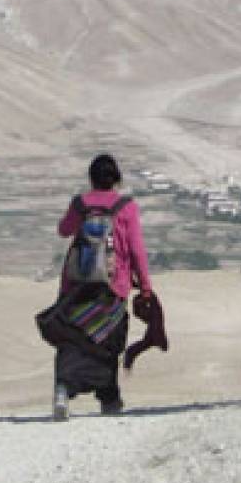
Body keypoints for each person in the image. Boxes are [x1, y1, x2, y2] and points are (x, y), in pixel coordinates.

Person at [49, 153, 154, 419]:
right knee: (109, 341)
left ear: (91, 178)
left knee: (72, 338)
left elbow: (63, 230)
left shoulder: (80, 204)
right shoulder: (127, 207)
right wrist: (145, 286)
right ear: (116, 178)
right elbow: (136, 249)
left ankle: (63, 389)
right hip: (113, 286)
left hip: (77, 285)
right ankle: (109, 399)